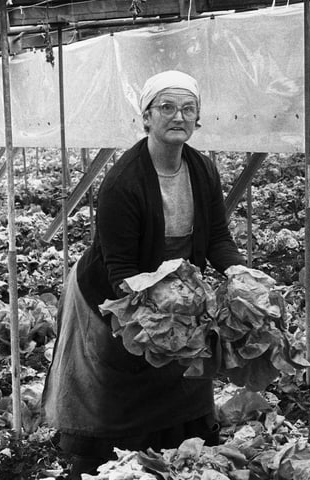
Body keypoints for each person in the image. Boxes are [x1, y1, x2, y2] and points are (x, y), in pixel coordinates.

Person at [41, 70, 246, 478]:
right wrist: (160, 312)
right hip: (112, 294)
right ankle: (105, 462)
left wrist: (238, 271)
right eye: (166, 107)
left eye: (188, 109)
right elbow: (121, 269)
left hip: (173, 287)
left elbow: (217, 236)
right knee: (119, 379)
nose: (178, 117)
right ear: (147, 118)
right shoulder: (124, 181)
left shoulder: (201, 169)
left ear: (198, 119)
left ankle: (173, 453)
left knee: (183, 370)